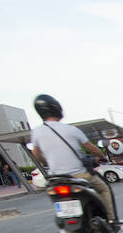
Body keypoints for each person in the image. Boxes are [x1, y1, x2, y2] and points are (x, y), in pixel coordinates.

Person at [28, 94, 118, 224]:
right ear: (57, 108)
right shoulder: (71, 129)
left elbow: (36, 155)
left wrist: (47, 163)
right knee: (104, 189)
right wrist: (102, 157)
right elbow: (93, 149)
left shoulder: (36, 132)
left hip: (56, 179)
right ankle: (111, 219)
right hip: (79, 175)